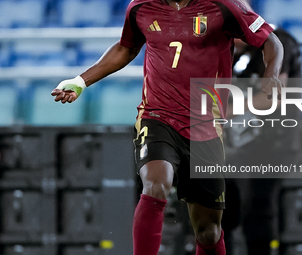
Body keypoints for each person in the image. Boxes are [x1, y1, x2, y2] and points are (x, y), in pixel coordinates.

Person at [51, 0, 284, 254]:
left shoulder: (225, 6)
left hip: (205, 126)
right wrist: (80, 81)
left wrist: (270, 75)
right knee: (156, 185)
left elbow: (271, 41)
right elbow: (125, 48)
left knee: (208, 231)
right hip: (157, 115)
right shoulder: (140, 7)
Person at [222, 25, 302, 255]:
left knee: (258, 208)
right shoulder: (243, 54)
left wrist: (226, 111)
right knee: (224, 205)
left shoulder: (279, 41)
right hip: (243, 144)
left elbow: (273, 96)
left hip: (274, 142)